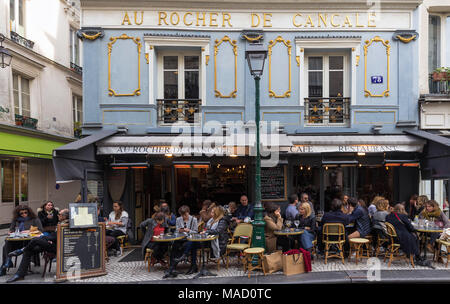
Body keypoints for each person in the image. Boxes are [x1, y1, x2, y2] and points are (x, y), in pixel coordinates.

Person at [5, 209, 70, 283]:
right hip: (51, 243)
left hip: (58, 247)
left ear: (65, 216)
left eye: (60, 214)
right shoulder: (61, 222)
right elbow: (54, 236)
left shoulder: (66, 225)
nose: (58, 215)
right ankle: (20, 275)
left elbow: (57, 237)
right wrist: (47, 239)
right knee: (29, 251)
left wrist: (47, 239)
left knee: (35, 240)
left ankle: (21, 250)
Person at [1, 205, 43, 276]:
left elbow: (40, 230)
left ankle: (5, 266)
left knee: (6, 247)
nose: (24, 214)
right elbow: (11, 229)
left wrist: (29, 231)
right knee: (7, 243)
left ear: (29, 212)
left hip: (30, 241)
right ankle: (8, 261)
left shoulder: (34, 219)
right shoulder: (16, 219)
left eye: (25, 212)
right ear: (18, 214)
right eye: (22, 213)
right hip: (18, 240)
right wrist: (10, 232)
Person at [172, 205, 199, 275]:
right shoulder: (178, 219)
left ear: (188, 212)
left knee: (193, 244)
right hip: (181, 239)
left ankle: (186, 259)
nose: (184, 217)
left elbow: (196, 232)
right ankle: (172, 266)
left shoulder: (194, 219)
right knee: (175, 244)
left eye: (185, 215)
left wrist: (188, 231)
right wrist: (180, 231)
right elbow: (176, 231)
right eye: (182, 215)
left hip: (190, 239)